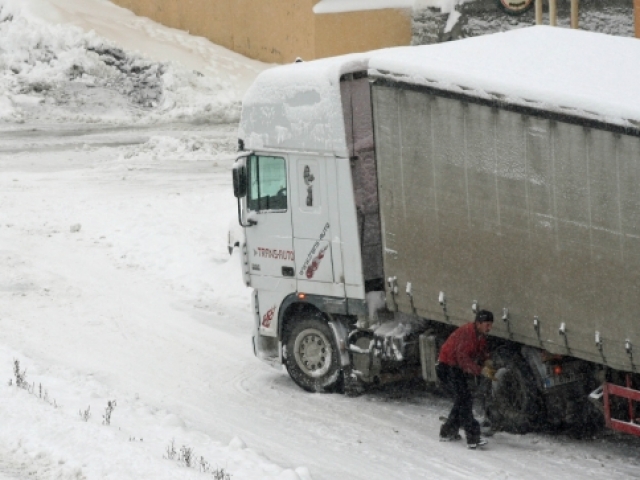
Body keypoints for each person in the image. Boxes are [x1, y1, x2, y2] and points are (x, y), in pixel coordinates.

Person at [436, 309, 496, 449]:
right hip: (447, 367)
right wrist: (480, 370)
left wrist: (487, 361)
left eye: (490, 324)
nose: (489, 328)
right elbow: (462, 359)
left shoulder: (479, 334)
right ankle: (473, 437)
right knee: (465, 401)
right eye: (487, 324)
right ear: (478, 323)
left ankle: (447, 431)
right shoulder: (467, 334)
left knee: (462, 400)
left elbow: (481, 350)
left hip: (455, 367)